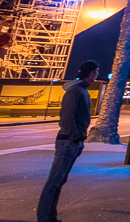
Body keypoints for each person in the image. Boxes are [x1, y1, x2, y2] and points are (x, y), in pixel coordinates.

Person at [36, 60, 98, 222]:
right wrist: (75, 136)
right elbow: (67, 117)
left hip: (73, 141)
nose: (97, 75)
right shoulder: (75, 91)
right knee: (53, 182)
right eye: (96, 72)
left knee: (59, 182)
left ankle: (50, 217)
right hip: (67, 142)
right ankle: (43, 218)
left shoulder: (81, 90)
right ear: (90, 73)